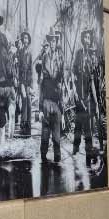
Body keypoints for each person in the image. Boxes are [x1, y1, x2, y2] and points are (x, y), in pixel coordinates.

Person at [71, 29, 103, 168]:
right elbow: (73, 73)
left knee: (88, 125)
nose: (86, 40)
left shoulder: (92, 56)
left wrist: (96, 98)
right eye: (85, 38)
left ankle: (88, 152)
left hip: (90, 94)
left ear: (91, 40)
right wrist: (75, 93)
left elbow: (95, 78)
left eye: (89, 38)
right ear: (82, 39)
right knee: (78, 123)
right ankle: (76, 146)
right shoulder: (78, 54)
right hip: (79, 93)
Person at [37, 32, 65, 165]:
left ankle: (57, 159)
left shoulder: (60, 59)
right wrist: (40, 108)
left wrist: (63, 110)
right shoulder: (45, 58)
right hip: (47, 100)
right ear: (49, 42)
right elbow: (41, 86)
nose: (53, 43)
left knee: (57, 135)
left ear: (56, 42)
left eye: (55, 41)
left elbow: (62, 85)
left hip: (57, 102)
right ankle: (43, 157)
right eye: (51, 41)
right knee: (45, 133)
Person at [13, 31, 34, 135]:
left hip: (28, 81)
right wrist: (19, 82)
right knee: (24, 100)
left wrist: (30, 85)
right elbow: (17, 69)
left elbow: (31, 69)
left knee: (29, 103)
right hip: (21, 80)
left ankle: (28, 126)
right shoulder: (19, 53)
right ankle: (23, 125)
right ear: (22, 40)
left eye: (27, 38)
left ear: (28, 40)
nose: (25, 40)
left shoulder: (30, 53)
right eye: (24, 38)